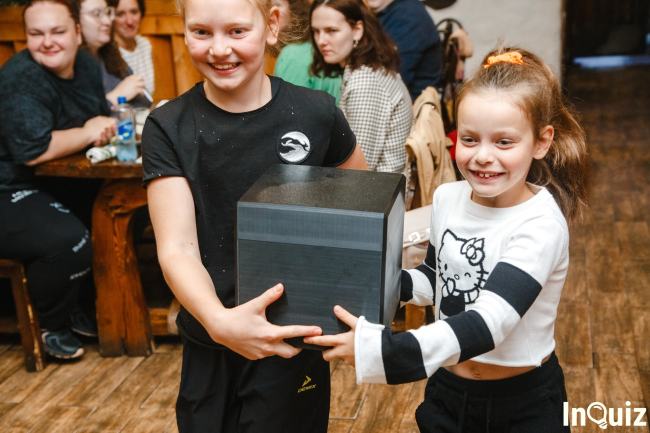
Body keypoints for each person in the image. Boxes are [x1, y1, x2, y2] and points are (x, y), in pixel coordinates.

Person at [305, 48, 588, 433]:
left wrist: (380, 349)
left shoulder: (540, 224)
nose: (482, 156)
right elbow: (436, 277)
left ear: (541, 142)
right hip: (449, 392)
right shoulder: (447, 198)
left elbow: (489, 323)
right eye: (470, 139)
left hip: (524, 403)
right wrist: (371, 281)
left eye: (504, 142)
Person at [141, 0, 367, 430]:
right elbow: (177, 247)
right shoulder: (168, 126)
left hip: (292, 341)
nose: (218, 48)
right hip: (209, 339)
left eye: (236, 31)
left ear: (272, 25)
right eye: (201, 32)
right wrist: (219, 322)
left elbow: (361, 208)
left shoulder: (317, 113)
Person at [0, 0, 115, 359]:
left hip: (54, 181)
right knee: (70, 240)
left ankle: (83, 306)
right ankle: (51, 325)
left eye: (57, 31)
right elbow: (33, 150)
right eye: (36, 34)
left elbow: (97, 119)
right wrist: (88, 131)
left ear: (77, 33)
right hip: (8, 187)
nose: (47, 42)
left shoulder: (86, 64)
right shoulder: (21, 78)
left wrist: (97, 130)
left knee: (113, 213)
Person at [311, 0, 412, 173]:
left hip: (377, 188)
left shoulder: (364, 82)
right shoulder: (368, 68)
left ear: (357, 30)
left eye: (331, 31)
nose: (321, 41)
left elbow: (358, 171)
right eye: (316, 31)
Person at [78, 0, 149, 107]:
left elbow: (144, 101)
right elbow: (79, 113)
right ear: (76, 22)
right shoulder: (70, 65)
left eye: (107, 12)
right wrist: (117, 96)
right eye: (97, 14)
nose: (108, 21)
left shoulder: (110, 54)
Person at [367, 0, 443, 100]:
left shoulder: (408, 15)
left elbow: (391, 80)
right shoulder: (383, 12)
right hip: (392, 95)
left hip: (412, 102)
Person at [273, 0, 342, 103]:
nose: (270, 11)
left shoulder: (294, 54)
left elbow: (289, 107)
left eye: (276, 4)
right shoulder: (310, 50)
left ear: (295, 9)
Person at [113, 0, 155, 97]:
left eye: (134, 12)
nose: (129, 21)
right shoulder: (107, 53)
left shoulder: (145, 45)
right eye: (120, 14)